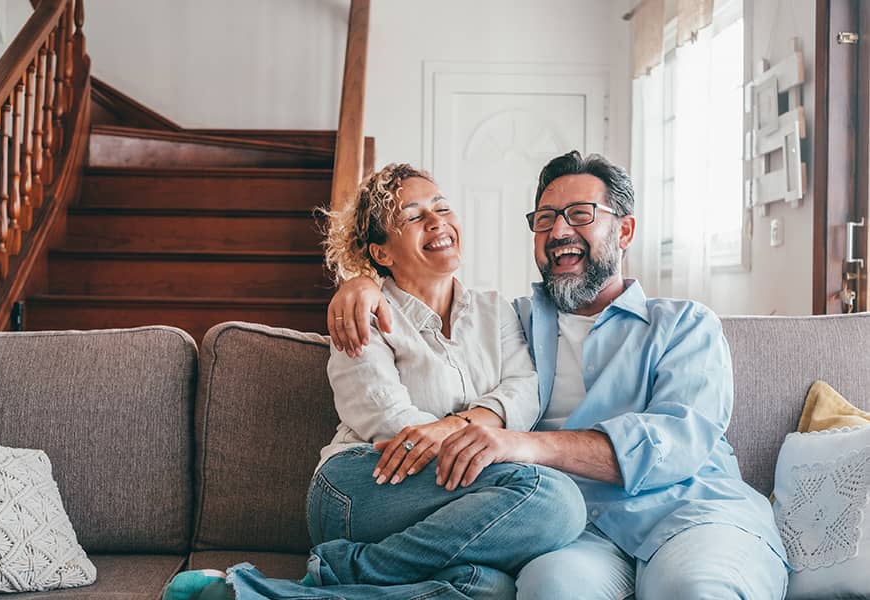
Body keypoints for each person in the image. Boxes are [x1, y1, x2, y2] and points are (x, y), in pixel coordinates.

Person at [327, 151, 790, 599]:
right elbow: (420, 294)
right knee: (551, 589)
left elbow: (678, 440)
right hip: (579, 529)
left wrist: (524, 444)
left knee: (694, 590)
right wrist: (360, 283)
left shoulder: (686, 324)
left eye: (580, 214)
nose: (559, 230)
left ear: (625, 230)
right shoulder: (515, 321)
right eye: (545, 219)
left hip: (691, 514)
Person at [163, 163, 586, 600]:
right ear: (381, 253)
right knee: (554, 498)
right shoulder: (361, 311)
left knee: (487, 588)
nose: (437, 221)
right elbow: (390, 421)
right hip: (363, 482)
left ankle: (259, 595)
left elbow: (524, 389)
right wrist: (478, 439)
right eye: (414, 216)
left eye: (441, 207)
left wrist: (456, 427)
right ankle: (336, 571)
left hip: (450, 490)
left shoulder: (494, 309)